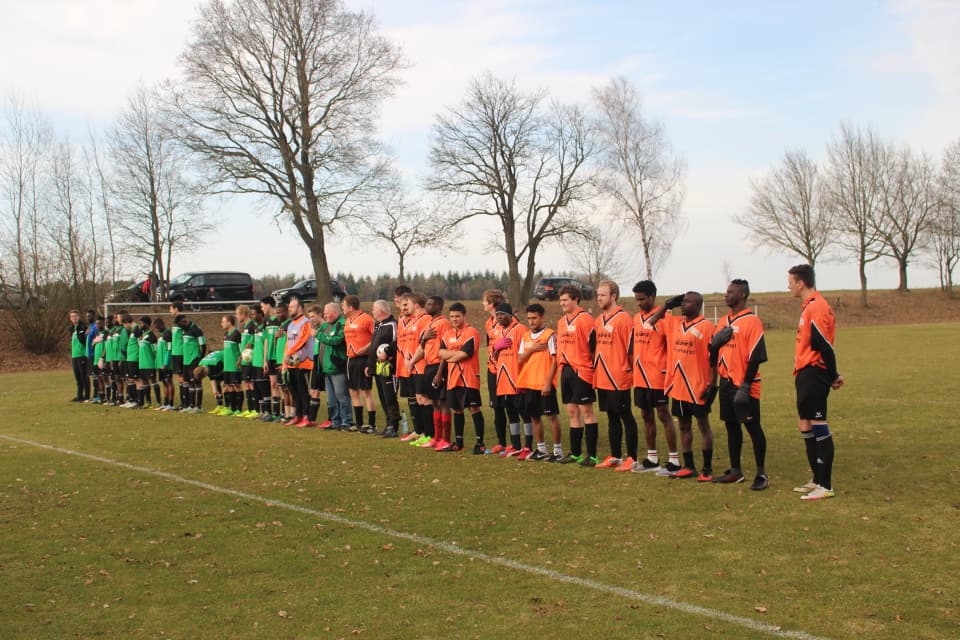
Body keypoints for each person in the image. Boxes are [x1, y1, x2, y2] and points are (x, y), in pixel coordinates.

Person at [788, 264, 843, 501]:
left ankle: (826, 485)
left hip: (814, 372)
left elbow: (823, 344)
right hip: (804, 373)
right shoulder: (808, 307)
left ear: (801, 283)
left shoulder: (818, 307)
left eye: (790, 281)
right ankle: (817, 478)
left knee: (819, 425)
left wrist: (832, 375)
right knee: (805, 425)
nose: (788, 285)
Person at [649, 292, 716, 481]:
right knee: (684, 426)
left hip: (698, 385)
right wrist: (667, 305)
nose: (684, 305)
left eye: (688, 302)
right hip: (678, 385)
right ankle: (689, 466)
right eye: (683, 302)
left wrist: (712, 384)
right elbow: (651, 323)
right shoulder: (674, 322)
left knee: (703, 425)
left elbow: (714, 358)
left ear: (698, 305)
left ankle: (707, 469)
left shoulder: (707, 326)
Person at [710, 279, 769, 490]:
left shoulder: (752, 321)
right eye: (726, 291)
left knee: (753, 427)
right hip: (726, 382)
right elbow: (713, 350)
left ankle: (761, 473)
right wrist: (714, 344)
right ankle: (735, 470)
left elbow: (756, 356)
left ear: (742, 294)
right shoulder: (723, 319)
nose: (726, 295)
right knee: (731, 426)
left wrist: (745, 386)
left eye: (730, 292)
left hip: (744, 383)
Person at [631, 280, 681, 475]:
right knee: (646, 415)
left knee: (663, 415)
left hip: (658, 375)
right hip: (640, 376)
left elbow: (672, 347)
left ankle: (674, 460)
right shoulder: (636, 318)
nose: (639, 303)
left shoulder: (666, 318)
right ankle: (652, 458)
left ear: (652, 297)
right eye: (636, 299)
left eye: (642, 299)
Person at [591, 281, 639, 472]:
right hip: (602, 376)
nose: (599, 298)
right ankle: (616, 455)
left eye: (603, 295)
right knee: (611, 417)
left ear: (614, 296)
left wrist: (630, 370)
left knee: (625, 415)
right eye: (598, 295)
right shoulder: (598, 319)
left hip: (618, 375)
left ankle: (632, 457)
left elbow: (631, 350)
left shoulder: (624, 318)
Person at [554, 285, 599, 465]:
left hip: (582, 370)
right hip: (566, 371)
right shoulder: (561, 321)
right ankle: (575, 454)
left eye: (565, 300)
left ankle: (592, 455)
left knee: (586, 411)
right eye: (561, 300)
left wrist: (592, 368)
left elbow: (594, 347)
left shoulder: (585, 319)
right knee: (572, 412)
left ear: (575, 299)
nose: (562, 303)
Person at [435, 302, 485, 452]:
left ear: (464, 316)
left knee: (474, 408)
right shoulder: (448, 334)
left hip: (468, 377)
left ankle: (480, 443)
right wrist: (454, 356)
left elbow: (465, 354)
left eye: (457, 316)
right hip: (452, 378)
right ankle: (458, 443)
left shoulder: (471, 332)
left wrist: (450, 355)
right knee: (457, 410)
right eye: (452, 316)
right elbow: (440, 353)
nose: (454, 319)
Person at [516, 304, 563, 461]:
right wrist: (533, 349)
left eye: (534, 318)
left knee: (552, 417)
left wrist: (548, 382)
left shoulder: (550, 335)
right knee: (535, 417)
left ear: (541, 317)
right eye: (529, 318)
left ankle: (557, 451)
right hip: (530, 384)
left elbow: (555, 360)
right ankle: (541, 449)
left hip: (544, 384)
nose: (531, 321)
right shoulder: (526, 336)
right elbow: (520, 358)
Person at [410, 295, 452, 449]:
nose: (427, 306)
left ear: (439, 307)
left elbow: (446, 347)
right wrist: (424, 338)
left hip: (438, 367)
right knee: (434, 403)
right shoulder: (429, 323)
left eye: (431, 304)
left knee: (443, 402)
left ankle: (445, 439)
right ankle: (436, 437)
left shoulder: (444, 323)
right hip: (428, 366)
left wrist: (440, 373)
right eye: (427, 304)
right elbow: (424, 345)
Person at [491, 301, 530, 457]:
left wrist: (523, 379)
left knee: (524, 413)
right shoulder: (498, 332)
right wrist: (496, 348)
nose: (499, 318)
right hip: (503, 380)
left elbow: (526, 356)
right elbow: (494, 357)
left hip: (517, 379)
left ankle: (528, 445)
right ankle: (515, 445)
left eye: (502, 314)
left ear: (510, 315)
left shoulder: (520, 329)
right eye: (497, 315)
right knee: (511, 413)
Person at [342, 295, 377, 433]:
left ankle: (372, 425)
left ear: (351, 307)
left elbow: (376, 337)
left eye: (343, 306)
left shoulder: (367, 319)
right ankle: (359, 423)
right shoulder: (347, 320)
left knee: (366, 391)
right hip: (350, 359)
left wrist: (366, 348)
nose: (342, 309)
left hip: (363, 359)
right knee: (353, 391)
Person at [367, 299, 401, 437]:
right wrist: (369, 366)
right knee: (382, 396)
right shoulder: (378, 325)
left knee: (390, 396)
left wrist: (388, 351)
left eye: (374, 309)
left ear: (381, 311)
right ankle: (388, 424)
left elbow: (397, 342)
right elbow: (374, 346)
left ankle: (394, 426)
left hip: (389, 368)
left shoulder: (393, 325)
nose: (372, 311)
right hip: (377, 367)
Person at [482, 289, 510, 453]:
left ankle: (519, 444)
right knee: (496, 407)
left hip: (506, 370)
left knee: (511, 407)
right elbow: (489, 345)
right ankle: (501, 442)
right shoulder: (488, 323)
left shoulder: (508, 320)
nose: (483, 304)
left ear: (491, 304)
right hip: (492, 368)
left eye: (485, 301)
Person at [315, 302, 351, 430]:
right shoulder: (325, 325)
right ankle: (335, 421)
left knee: (341, 395)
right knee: (331, 399)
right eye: (324, 313)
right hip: (326, 368)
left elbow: (336, 341)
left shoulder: (342, 324)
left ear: (336, 312)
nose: (325, 315)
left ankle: (346, 421)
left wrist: (317, 334)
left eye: (327, 312)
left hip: (337, 366)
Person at [282, 296, 315, 427]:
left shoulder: (306, 322)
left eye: (292, 306)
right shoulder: (290, 325)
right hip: (291, 363)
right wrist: (285, 361)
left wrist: (289, 353)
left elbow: (303, 340)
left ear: (300, 308)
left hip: (304, 362)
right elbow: (288, 344)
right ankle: (298, 415)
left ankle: (307, 417)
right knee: (294, 391)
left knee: (303, 391)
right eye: (289, 307)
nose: (290, 309)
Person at [176, 313, 207, 413]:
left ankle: (198, 406)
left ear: (184, 321)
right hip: (186, 360)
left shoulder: (196, 330)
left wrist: (200, 358)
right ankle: (191, 405)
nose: (179, 327)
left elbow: (203, 344)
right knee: (189, 383)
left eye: (180, 324)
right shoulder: (185, 330)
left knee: (196, 382)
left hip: (194, 359)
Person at [260, 296, 284, 422]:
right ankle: (275, 413)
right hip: (270, 358)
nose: (261, 308)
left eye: (262, 306)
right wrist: (264, 359)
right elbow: (265, 341)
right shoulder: (266, 320)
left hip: (279, 357)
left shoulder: (280, 319)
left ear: (269, 305)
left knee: (281, 385)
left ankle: (283, 413)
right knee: (273, 384)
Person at [218, 314, 243, 415]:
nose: (221, 324)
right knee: (229, 386)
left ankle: (238, 409)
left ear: (229, 322)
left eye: (223, 322)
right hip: (227, 365)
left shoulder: (236, 333)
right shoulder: (226, 334)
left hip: (234, 365)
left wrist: (239, 359)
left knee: (237, 386)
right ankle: (232, 409)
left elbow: (242, 348)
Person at [136, 316, 158, 408]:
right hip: (142, 364)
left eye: (141, 323)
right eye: (139, 323)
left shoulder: (152, 336)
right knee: (144, 382)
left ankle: (159, 402)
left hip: (150, 363)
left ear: (147, 324)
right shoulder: (142, 335)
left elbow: (155, 351)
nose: (140, 325)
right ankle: (148, 402)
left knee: (153, 381)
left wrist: (156, 363)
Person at [168, 300, 187, 410]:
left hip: (180, 352)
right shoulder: (175, 320)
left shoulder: (181, 319)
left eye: (171, 308)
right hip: (176, 352)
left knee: (182, 378)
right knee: (180, 378)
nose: (170, 311)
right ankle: (183, 403)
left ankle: (186, 403)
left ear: (176, 308)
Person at [68, 309, 89, 402]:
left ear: (79, 317)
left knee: (84, 376)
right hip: (74, 355)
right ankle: (79, 396)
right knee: (77, 377)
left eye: (75, 316)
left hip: (82, 355)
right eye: (72, 317)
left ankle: (87, 396)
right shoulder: (71, 329)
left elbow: (85, 341)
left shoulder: (83, 327)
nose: (74, 318)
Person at [154, 317, 175, 411]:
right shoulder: (161, 335)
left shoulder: (167, 333)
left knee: (169, 382)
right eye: (156, 328)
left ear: (163, 324)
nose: (157, 329)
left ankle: (171, 404)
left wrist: (166, 363)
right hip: (160, 364)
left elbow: (169, 349)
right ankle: (165, 403)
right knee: (164, 383)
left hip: (166, 364)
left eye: (158, 327)